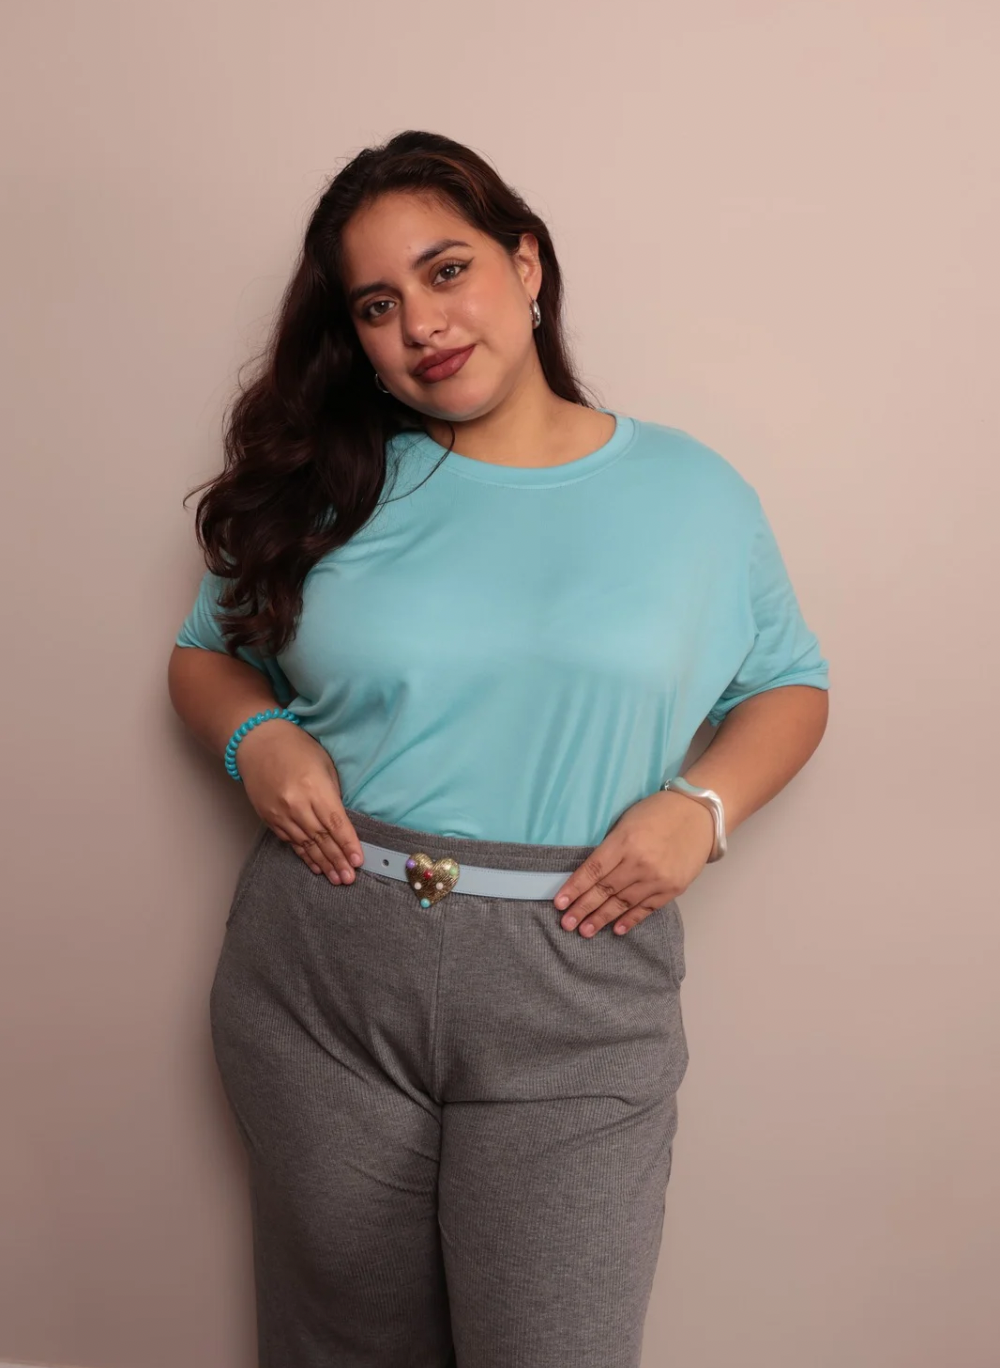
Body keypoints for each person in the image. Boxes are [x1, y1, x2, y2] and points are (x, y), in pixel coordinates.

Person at [167, 129, 830, 1368]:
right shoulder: (328, 486)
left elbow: (791, 683)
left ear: (525, 266)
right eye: (378, 304)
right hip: (320, 976)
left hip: (574, 984)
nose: (422, 323)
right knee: (337, 1346)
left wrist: (703, 808)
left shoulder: (692, 494)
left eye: (447, 270)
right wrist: (254, 736)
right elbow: (205, 655)